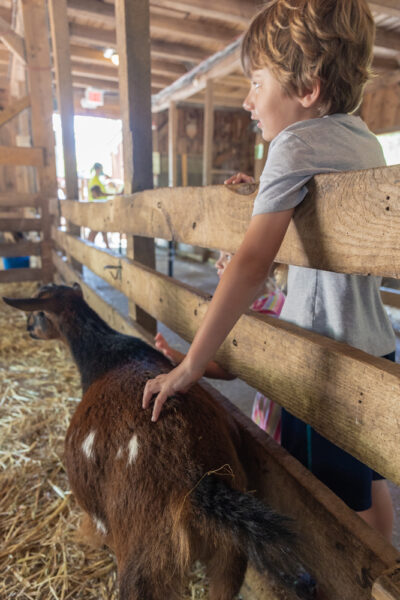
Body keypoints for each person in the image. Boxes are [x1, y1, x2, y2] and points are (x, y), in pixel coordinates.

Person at [142, 0, 395, 541]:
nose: (247, 99)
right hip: (377, 346)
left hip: (325, 359)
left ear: (307, 89)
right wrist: (261, 193)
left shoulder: (294, 143)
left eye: (257, 82)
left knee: (322, 500)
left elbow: (254, 261)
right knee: (366, 483)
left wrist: (190, 366)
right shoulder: (362, 139)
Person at [155, 250, 286, 441]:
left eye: (228, 256)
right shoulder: (261, 303)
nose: (218, 263)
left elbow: (231, 371)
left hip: (279, 413)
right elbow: (232, 366)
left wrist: (182, 361)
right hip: (267, 404)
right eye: (220, 255)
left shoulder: (272, 314)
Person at [87, 163, 115, 249]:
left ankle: (106, 247)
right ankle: (89, 248)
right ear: (97, 169)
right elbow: (98, 194)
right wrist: (115, 193)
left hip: (99, 207)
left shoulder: (97, 180)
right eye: (100, 169)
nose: (101, 171)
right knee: (95, 230)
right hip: (97, 208)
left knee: (102, 229)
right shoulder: (95, 180)